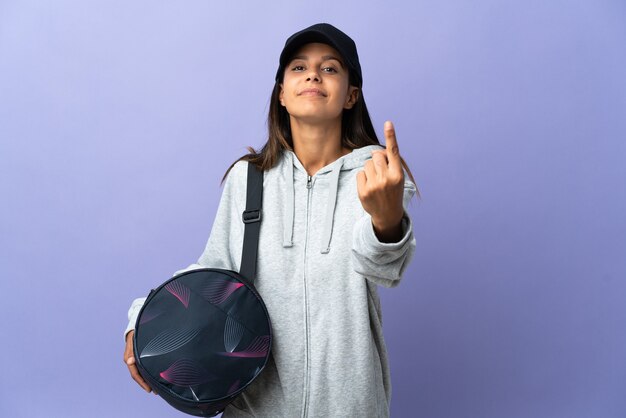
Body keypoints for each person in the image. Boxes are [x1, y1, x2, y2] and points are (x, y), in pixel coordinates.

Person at [123, 23, 419, 417]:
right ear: (281, 92)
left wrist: (386, 219)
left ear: (351, 95)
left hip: (350, 406)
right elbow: (215, 272)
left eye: (330, 68)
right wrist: (142, 321)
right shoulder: (249, 179)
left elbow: (385, 270)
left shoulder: (379, 174)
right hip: (255, 405)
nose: (313, 74)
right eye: (298, 67)